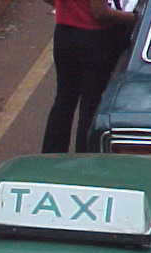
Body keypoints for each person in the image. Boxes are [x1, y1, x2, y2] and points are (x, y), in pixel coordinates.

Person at [41, 0, 136, 153]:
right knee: (90, 104)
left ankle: (51, 155)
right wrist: (134, 18)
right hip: (94, 38)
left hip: (64, 35)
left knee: (64, 99)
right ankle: (84, 156)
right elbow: (99, 12)